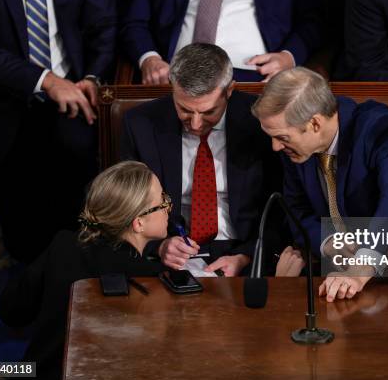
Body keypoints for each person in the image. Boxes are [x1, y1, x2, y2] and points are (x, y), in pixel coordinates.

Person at [251, 67, 388, 301]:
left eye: (282, 138)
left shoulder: (380, 128)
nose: (275, 147)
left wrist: (362, 265)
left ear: (315, 123)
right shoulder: (296, 149)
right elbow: (296, 209)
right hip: (342, 278)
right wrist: (327, 242)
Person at [0, 0, 117, 262]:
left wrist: (93, 76)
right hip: (3, 102)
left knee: (76, 211)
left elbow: (103, 23)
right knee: (22, 231)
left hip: (75, 94)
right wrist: (45, 80)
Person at [0, 161, 169, 380]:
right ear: (138, 224)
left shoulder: (63, 244)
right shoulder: (151, 280)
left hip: (34, 374)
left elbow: (10, 311)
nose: (167, 206)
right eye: (162, 200)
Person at [120, 43, 282, 276]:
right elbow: (125, 205)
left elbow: (282, 204)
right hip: (170, 248)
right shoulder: (140, 124)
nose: (196, 124)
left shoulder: (260, 122)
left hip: (245, 249)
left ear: (229, 90)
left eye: (208, 112)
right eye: (185, 110)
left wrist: (247, 256)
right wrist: (158, 246)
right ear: (172, 88)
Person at [120, 0, 323, 83]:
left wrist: (288, 57)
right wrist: (150, 59)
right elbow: (134, 22)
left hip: (253, 77)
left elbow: (313, 20)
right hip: (175, 75)